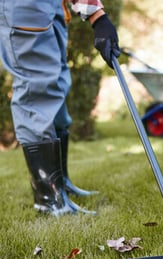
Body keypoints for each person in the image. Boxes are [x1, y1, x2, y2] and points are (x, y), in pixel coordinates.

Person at [0, 0, 120, 216]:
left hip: (52, 5)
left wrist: (96, 16)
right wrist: (97, 14)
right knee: (37, 87)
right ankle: (49, 200)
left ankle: (60, 186)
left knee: (56, 84)